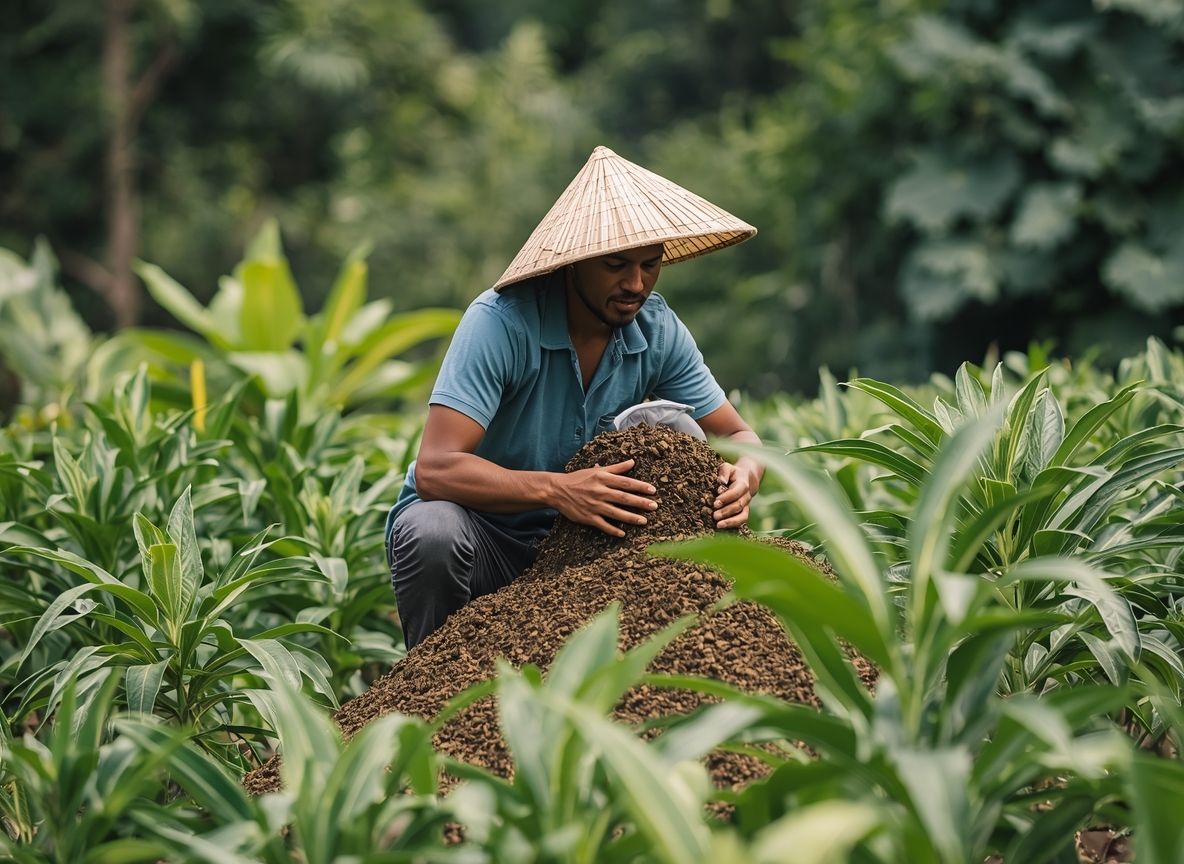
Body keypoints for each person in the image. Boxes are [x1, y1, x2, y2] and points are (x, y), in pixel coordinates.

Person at [385, 146, 766, 650]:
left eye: (650, 266)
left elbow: (740, 435)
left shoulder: (656, 328)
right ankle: (431, 704)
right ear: (575, 263)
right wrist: (558, 489)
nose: (635, 283)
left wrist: (747, 474)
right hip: (485, 540)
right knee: (432, 532)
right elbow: (436, 469)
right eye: (615, 265)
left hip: (584, 548)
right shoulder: (500, 324)